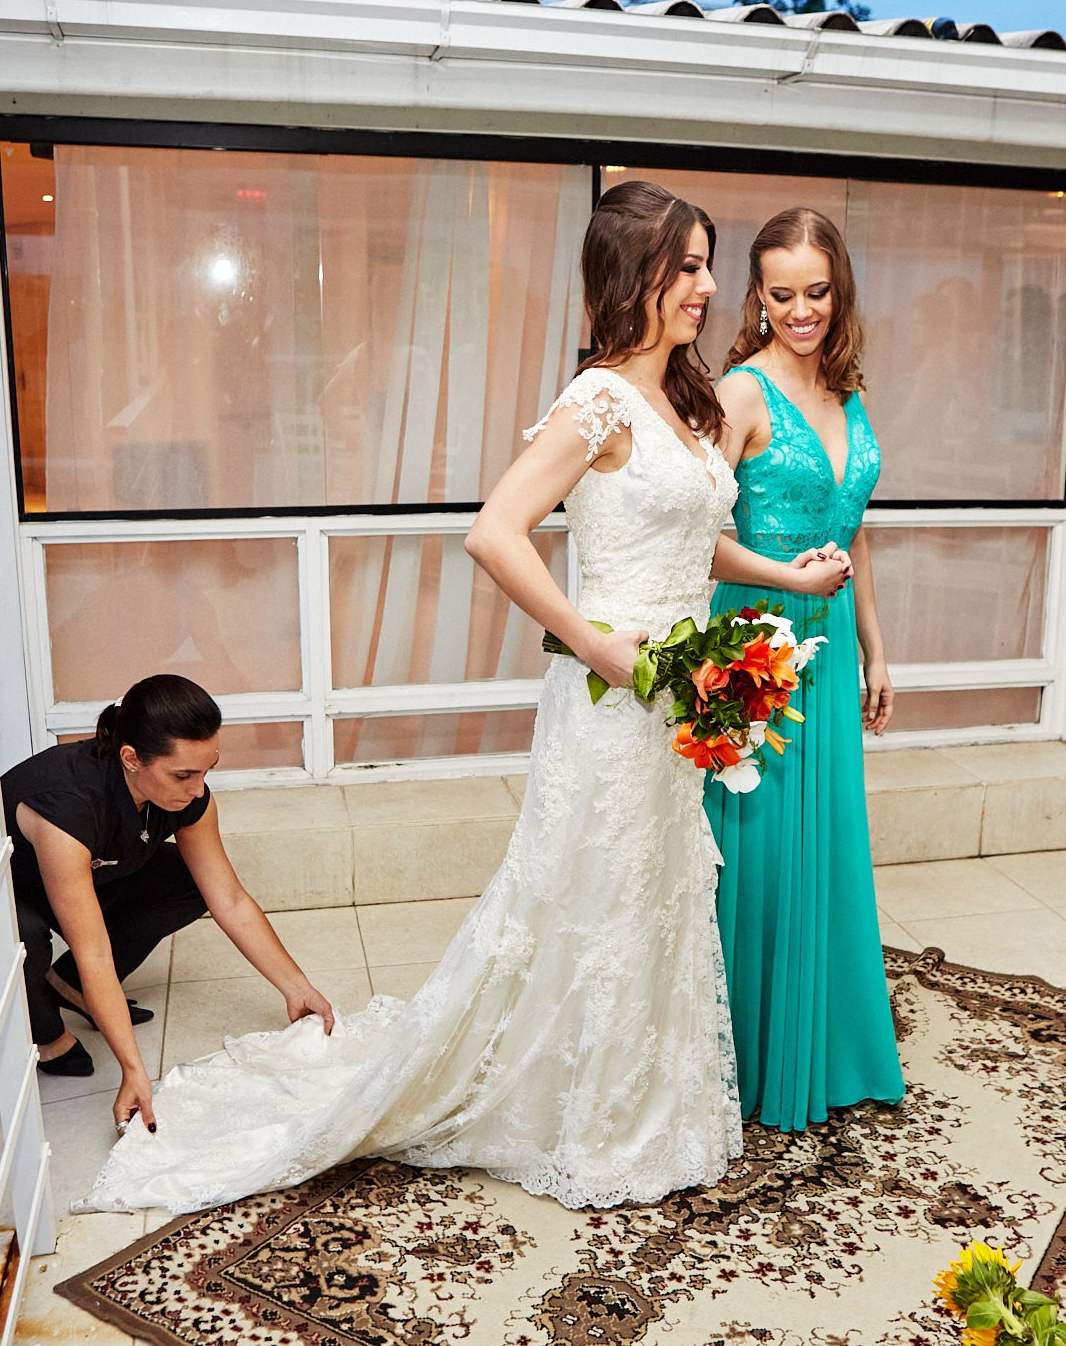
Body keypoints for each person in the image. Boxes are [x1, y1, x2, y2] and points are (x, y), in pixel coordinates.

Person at [80, 181, 849, 1216]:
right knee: (593, 901)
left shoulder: (684, 399)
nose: (709, 288)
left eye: (708, 266)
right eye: (689, 268)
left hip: (679, 701)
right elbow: (494, 531)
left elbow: (682, 531)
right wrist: (596, 645)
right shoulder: (598, 402)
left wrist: (787, 579)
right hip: (613, 703)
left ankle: (649, 1108)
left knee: (658, 900)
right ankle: (585, 1118)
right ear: (634, 278)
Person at [705, 207, 905, 1132]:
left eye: (816, 292)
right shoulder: (739, 394)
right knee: (758, 852)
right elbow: (692, 536)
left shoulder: (850, 392)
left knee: (823, 846)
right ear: (755, 295)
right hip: (756, 642)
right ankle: (737, 1060)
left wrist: (874, 642)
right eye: (781, 294)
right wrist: (788, 576)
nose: (800, 310)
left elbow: (852, 524)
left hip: (828, 645)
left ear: (840, 290)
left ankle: (818, 1050)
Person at [0, 674, 335, 1137]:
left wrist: (296, 986)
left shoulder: (185, 796)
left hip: (78, 872)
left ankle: (72, 989)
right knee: (22, 941)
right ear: (131, 758)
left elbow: (227, 898)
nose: (197, 788)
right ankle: (46, 1035)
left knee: (192, 882)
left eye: (206, 770)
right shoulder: (69, 806)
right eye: (183, 775)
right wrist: (132, 1069)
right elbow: (95, 950)